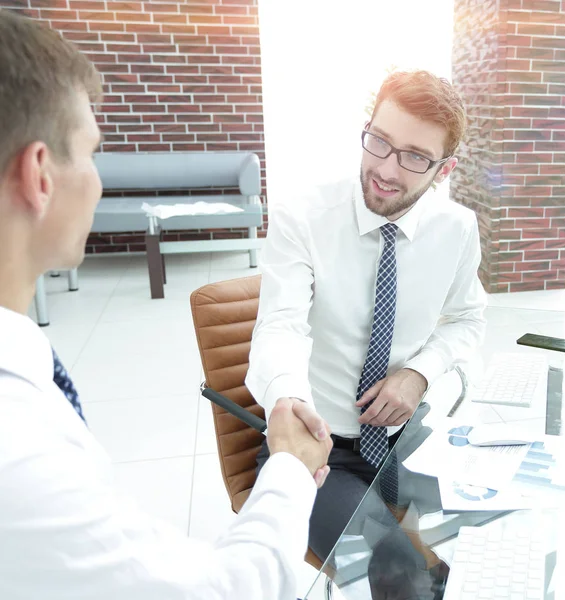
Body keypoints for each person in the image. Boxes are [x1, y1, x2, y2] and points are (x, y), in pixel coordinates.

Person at [0, 11, 332, 600]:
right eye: (92, 153)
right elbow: (224, 591)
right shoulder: (18, 451)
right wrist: (287, 464)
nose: (98, 181)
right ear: (39, 176)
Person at [246, 69, 487, 561]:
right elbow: (280, 326)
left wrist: (419, 374)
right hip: (320, 448)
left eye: (416, 156)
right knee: (400, 576)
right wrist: (287, 399)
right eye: (379, 141)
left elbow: (468, 320)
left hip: (406, 435)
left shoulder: (457, 229)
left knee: (490, 541)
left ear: (444, 169)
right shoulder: (304, 216)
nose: (387, 170)